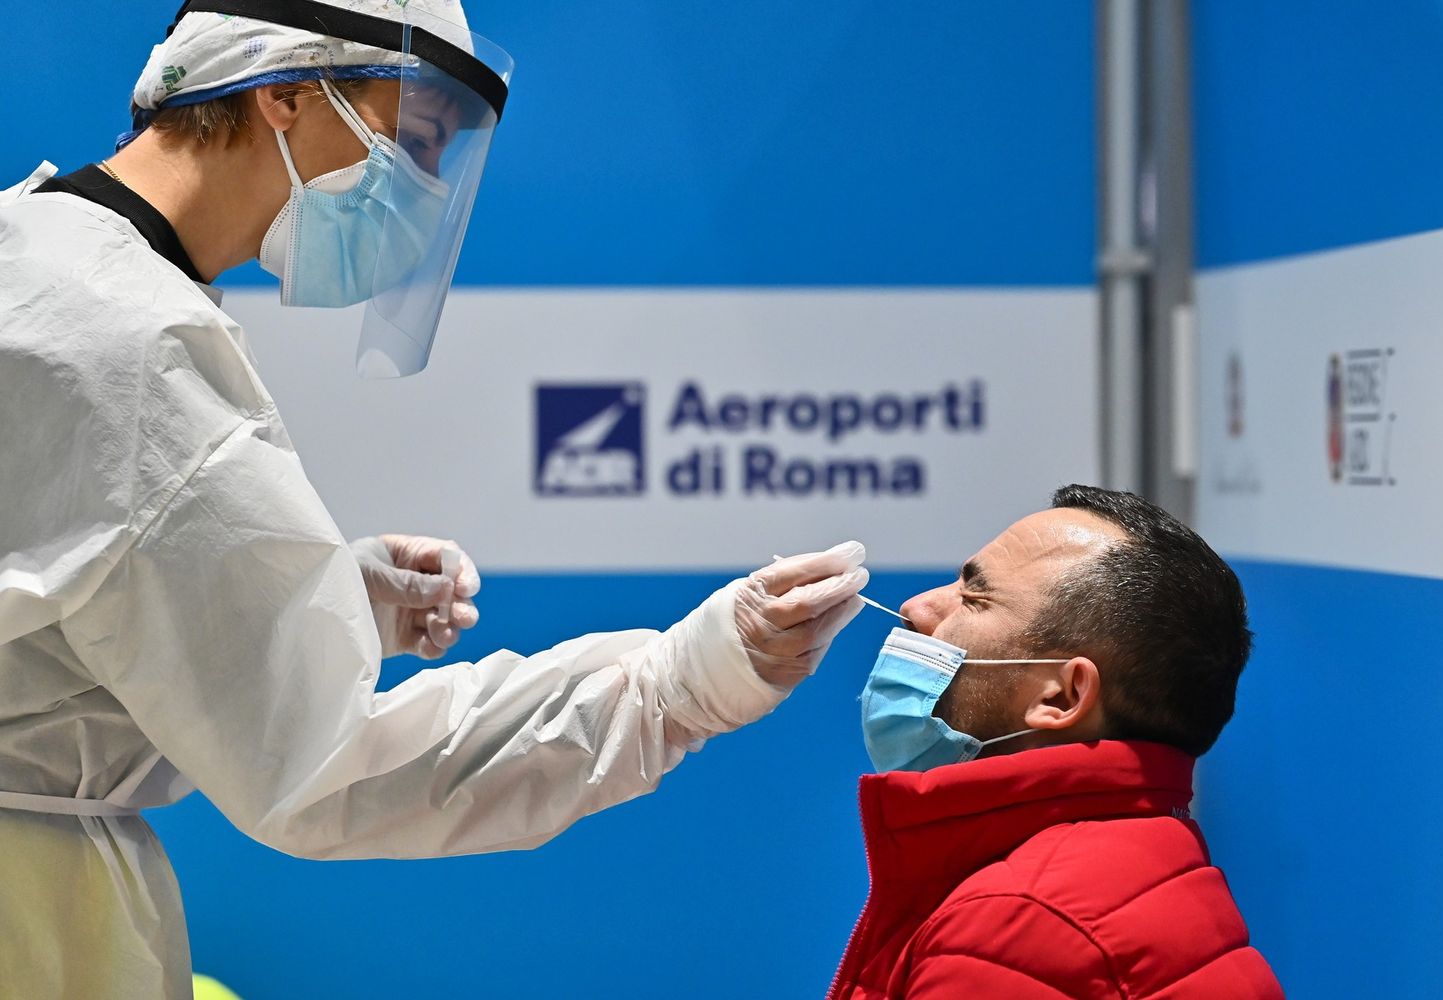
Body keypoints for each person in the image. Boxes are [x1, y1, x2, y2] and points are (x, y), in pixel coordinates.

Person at [0, 3, 868, 998]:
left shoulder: (31, 248)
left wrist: (313, 599)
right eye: (410, 142)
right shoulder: (144, 346)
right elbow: (325, 769)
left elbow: (52, 606)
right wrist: (675, 686)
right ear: (282, 91)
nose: (414, 192)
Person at [828, 485, 1284, 999]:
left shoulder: (1017, 926)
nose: (917, 607)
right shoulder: (1142, 856)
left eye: (974, 597)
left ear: (1063, 696)